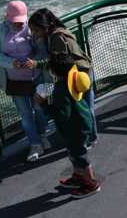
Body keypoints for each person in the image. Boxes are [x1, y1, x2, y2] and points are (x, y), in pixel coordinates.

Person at [0, 0, 51, 162]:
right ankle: (34, 144)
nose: (18, 25)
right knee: (25, 113)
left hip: (35, 76)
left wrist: (34, 62)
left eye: (20, 22)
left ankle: (43, 135)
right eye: (15, 22)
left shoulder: (31, 28)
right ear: (8, 18)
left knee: (40, 108)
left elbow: (43, 52)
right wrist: (11, 63)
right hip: (14, 80)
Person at [26, 8, 98, 148]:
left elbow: (59, 62)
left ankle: (85, 141)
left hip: (77, 76)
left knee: (82, 112)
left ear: (45, 27)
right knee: (88, 108)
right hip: (85, 72)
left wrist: (35, 64)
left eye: (35, 30)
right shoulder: (62, 30)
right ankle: (92, 138)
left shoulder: (57, 38)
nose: (34, 34)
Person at [35, 51, 100, 198]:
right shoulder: (73, 79)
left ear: (52, 71)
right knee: (75, 153)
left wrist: (44, 105)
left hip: (73, 129)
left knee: (79, 155)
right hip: (82, 123)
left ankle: (90, 183)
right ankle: (78, 176)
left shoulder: (60, 90)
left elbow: (62, 115)